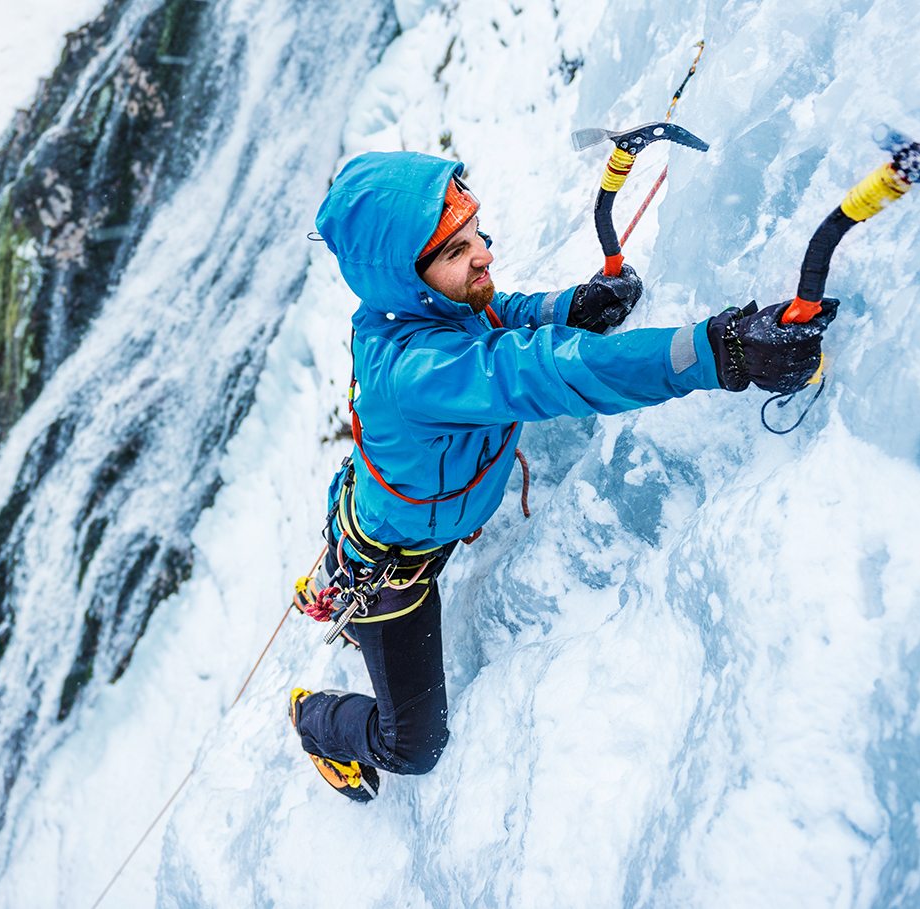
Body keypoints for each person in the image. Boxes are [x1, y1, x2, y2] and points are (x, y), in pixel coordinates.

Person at [288, 150, 836, 802]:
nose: (484, 254)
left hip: (399, 518)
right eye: (458, 248)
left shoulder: (428, 302)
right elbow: (546, 371)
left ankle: (333, 589)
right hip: (393, 565)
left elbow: (500, 316)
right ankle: (313, 719)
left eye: (476, 233)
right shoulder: (418, 371)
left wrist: (571, 306)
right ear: (408, 276)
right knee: (415, 744)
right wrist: (720, 350)